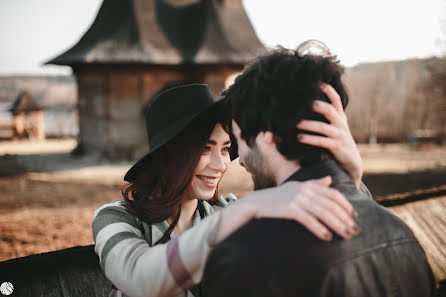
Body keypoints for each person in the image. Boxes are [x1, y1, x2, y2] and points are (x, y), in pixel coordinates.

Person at [202, 41, 435, 297]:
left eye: (239, 140)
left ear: (266, 134)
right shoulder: (402, 235)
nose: (241, 160)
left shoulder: (244, 255)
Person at [92, 82, 364, 297]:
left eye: (225, 149)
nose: (221, 164)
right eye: (205, 148)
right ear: (170, 154)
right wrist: (246, 210)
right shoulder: (117, 218)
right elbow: (141, 280)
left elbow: (319, 237)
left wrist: (351, 175)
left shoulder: (228, 212)